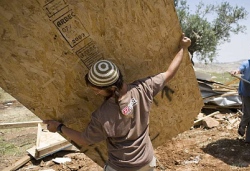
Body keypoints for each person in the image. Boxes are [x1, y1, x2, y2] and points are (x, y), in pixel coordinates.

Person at [43, 33, 191, 171]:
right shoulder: (143, 88)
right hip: (147, 162)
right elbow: (170, 73)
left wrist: (59, 127)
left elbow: (84, 140)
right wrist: (183, 48)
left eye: (96, 90)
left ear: (112, 88)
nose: (95, 93)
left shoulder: (102, 115)